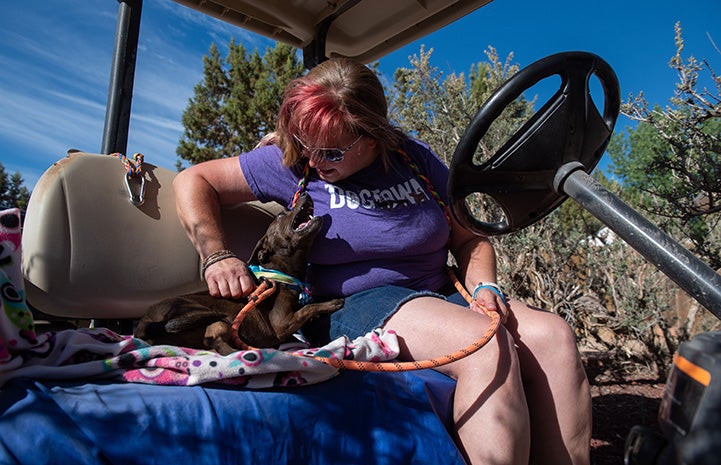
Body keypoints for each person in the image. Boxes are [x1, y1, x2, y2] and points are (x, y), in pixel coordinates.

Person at [173, 57, 591, 465]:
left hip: (440, 293)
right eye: (305, 144)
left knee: (553, 337)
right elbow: (194, 180)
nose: (315, 161)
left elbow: (470, 239)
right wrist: (217, 255)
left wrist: (484, 286)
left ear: (373, 137)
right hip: (350, 304)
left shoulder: (414, 158)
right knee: (484, 345)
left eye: (332, 152)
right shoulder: (292, 163)